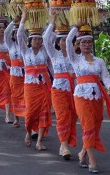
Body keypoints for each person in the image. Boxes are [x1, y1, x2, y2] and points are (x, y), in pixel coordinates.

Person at [66, 22, 110, 173]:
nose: (87, 44)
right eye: (83, 42)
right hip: (81, 96)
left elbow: (106, 78)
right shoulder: (76, 59)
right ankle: (92, 161)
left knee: (96, 126)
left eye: (89, 42)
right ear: (78, 44)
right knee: (88, 126)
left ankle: (83, 152)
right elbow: (67, 42)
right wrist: (75, 28)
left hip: (97, 96)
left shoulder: (99, 61)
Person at [43, 12, 77, 160]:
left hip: (75, 90)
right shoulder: (54, 55)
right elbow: (45, 38)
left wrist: (76, 26)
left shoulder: (74, 56)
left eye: (66, 40)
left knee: (71, 118)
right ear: (57, 43)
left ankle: (66, 142)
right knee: (62, 117)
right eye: (61, 40)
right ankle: (63, 146)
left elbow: (71, 40)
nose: (63, 42)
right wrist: (52, 22)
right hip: (58, 90)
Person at [17, 11, 53, 151]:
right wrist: (23, 20)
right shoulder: (25, 52)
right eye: (35, 39)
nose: (37, 41)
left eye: (39, 39)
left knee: (44, 110)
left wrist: (51, 21)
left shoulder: (45, 52)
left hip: (44, 85)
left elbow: (51, 68)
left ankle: (39, 141)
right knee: (31, 112)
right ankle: (28, 132)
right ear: (30, 41)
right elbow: (20, 36)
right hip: (30, 86)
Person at [5, 16, 26, 127]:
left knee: (26, 97)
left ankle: (27, 118)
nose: (18, 36)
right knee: (15, 96)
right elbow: (5, 33)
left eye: (20, 33)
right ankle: (16, 118)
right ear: (13, 35)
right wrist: (14, 21)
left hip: (25, 74)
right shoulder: (10, 45)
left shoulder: (26, 46)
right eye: (16, 33)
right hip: (14, 74)